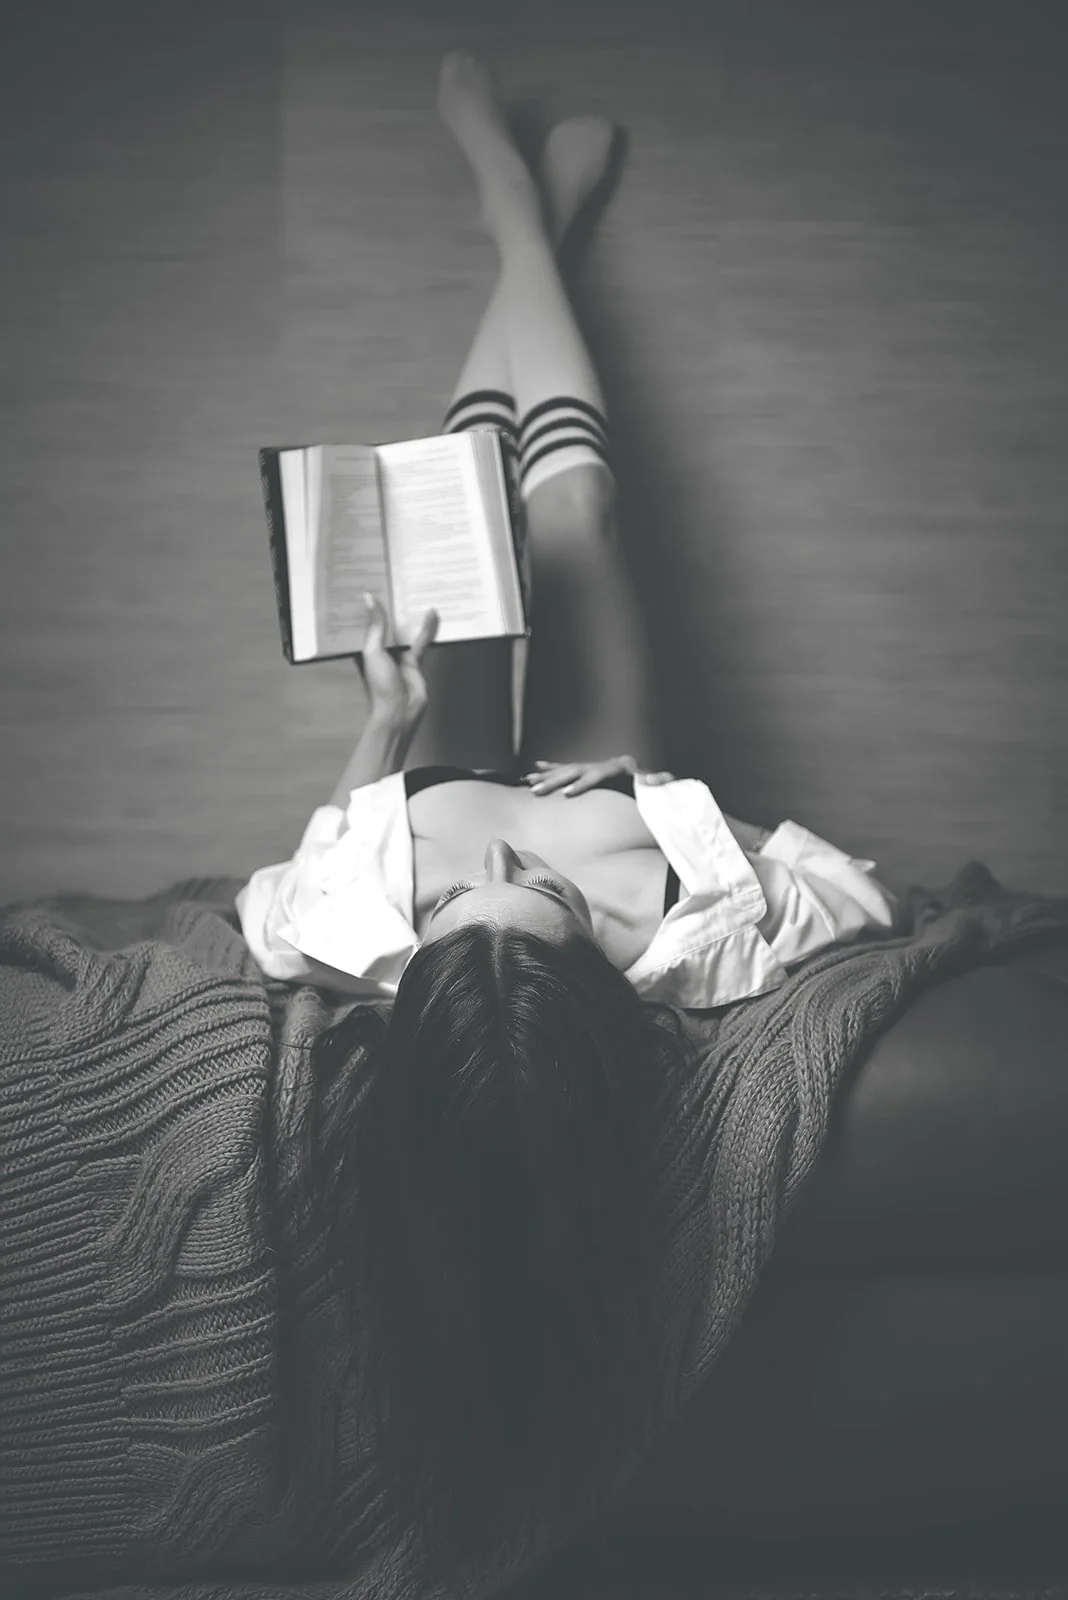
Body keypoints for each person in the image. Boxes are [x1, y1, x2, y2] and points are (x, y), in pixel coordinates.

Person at [237, 52, 899, 1584]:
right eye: (537, 891)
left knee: (458, 530)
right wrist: (686, 826)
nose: (512, 858)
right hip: (618, 761)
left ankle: (516, 217)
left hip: (432, 756)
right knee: (576, 522)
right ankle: (529, 223)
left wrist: (391, 732)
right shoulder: (689, 948)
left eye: (481, 888)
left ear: (419, 968)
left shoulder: (359, 941)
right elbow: (854, 894)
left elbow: (296, 882)